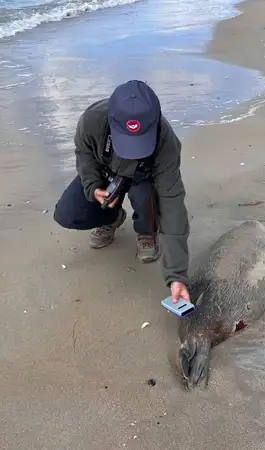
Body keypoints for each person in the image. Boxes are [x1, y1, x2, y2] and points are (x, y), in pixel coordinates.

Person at [52, 80, 191, 304]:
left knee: (146, 195)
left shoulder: (167, 143)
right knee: (67, 214)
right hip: (107, 175)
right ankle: (112, 217)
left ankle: (147, 231)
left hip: (143, 179)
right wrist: (92, 186)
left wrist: (176, 275)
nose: (133, 151)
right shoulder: (92, 120)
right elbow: (84, 155)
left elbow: (172, 202)